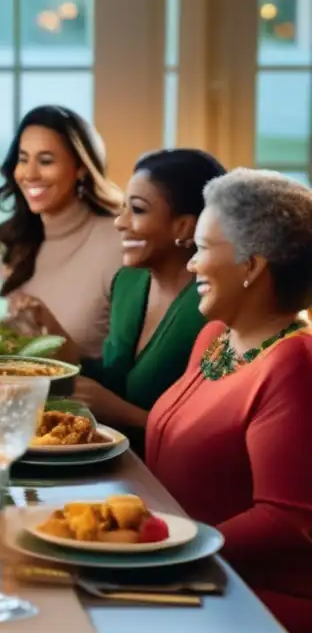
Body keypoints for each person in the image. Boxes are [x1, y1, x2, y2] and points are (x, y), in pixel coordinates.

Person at [147, 169, 312, 633]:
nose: (191, 262)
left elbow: (289, 522)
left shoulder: (294, 364)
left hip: (251, 599)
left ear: (252, 265)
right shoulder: (216, 337)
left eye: (201, 247)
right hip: (188, 573)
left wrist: (165, 550)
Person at [20, 149, 224, 447]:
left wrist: (123, 413)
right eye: (123, 209)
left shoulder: (212, 305)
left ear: (185, 227)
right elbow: (115, 378)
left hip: (165, 478)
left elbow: (209, 437)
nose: (120, 223)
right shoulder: (129, 282)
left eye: (138, 210)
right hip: (111, 459)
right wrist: (53, 333)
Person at [0, 105, 124, 360]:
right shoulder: (15, 239)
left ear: (80, 168)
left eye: (46, 161)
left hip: (86, 397)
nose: (30, 174)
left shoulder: (118, 241)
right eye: (23, 159)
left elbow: (126, 368)